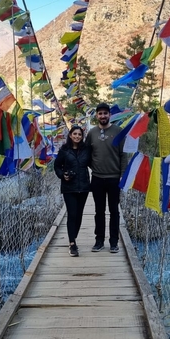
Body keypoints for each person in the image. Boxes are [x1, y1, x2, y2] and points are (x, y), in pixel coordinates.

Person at [85, 102, 127, 253]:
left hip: (114, 178)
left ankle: (114, 242)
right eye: (100, 113)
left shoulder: (118, 131)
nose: (103, 116)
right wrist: (93, 167)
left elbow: (123, 155)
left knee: (114, 211)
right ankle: (99, 241)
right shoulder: (91, 133)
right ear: (96, 115)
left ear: (110, 115)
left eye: (105, 113)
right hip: (97, 178)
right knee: (99, 211)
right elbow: (86, 154)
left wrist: (122, 175)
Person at [54, 125, 91, 257]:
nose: (77, 136)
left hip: (84, 187)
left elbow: (94, 163)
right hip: (69, 187)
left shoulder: (86, 150)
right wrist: (62, 175)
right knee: (72, 214)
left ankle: (73, 237)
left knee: (79, 215)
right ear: (70, 135)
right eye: (74, 134)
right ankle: (72, 243)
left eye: (79, 134)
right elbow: (57, 166)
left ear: (82, 136)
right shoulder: (64, 150)